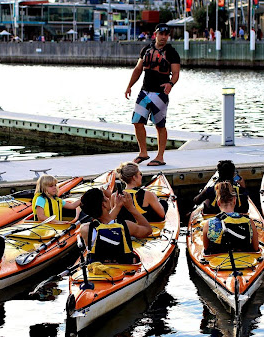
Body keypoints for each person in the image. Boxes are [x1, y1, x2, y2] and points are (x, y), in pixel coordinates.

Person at [125, 23, 180, 167]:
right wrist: (129, 86)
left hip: (160, 94)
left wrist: (170, 84)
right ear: (155, 34)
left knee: (160, 125)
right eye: (161, 34)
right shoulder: (146, 49)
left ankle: (160, 156)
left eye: (166, 34)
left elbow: (175, 73)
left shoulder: (172, 52)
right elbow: (138, 69)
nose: (163, 37)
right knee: (137, 122)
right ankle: (143, 152)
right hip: (144, 91)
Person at [79, 188, 152, 264]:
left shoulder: (85, 229)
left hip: (98, 270)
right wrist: (131, 208)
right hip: (124, 269)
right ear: (103, 204)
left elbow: (105, 224)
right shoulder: (126, 226)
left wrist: (117, 206)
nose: (108, 199)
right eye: (106, 198)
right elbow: (148, 230)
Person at [202, 181, 259, 255]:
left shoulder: (209, 224)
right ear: (235, 200)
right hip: (246, 262)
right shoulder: (249, 222)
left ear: (218, 202)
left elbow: (206, 249)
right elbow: (255, 248)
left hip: (219, 264)